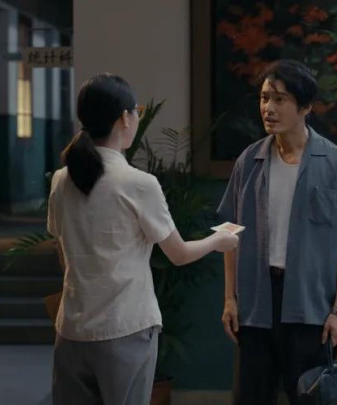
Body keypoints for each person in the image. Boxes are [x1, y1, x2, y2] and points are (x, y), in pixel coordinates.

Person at [47, 73, 239, 405]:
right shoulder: (138, 183)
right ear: (125, 118)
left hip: (72, 329)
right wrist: (218, 241)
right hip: (124, 327)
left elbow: (61, 248)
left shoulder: (62, 179)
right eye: (136, 112)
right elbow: (179, 254)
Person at [217, 60, 337, 405]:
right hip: (255, 303)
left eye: (280, 99)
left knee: (309, 398)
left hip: (310, 306)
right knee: (250, 397)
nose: (268, 108)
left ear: (305, 107)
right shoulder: (248, 161)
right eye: (264, 98)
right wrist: (230, 298)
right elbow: (230, 231)